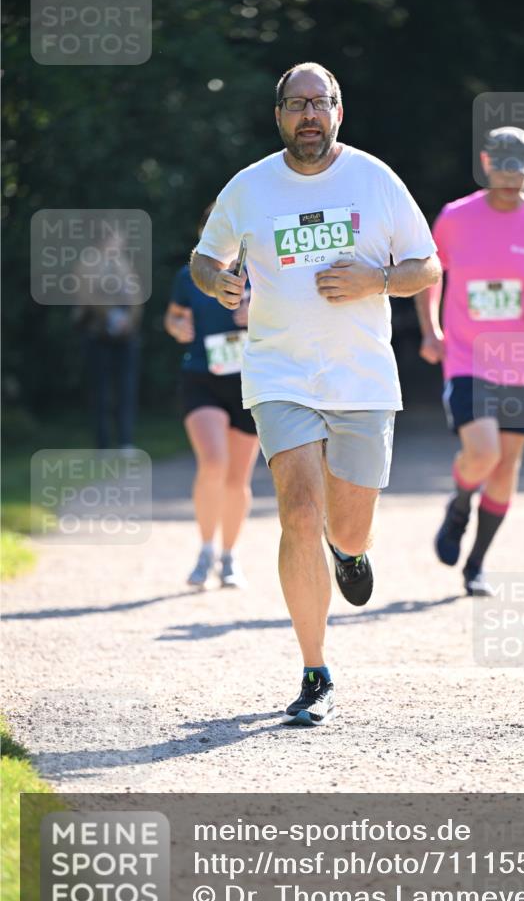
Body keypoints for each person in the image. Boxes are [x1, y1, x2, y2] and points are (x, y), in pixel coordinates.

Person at [190, 62, 440, 725]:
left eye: (319, 102)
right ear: (278, 115)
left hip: (360, 377)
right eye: (295, 103)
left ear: (338, 111)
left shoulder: (374, 179)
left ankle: (348, 551)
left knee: (346, 525)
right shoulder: (248, 187)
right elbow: (204, 255)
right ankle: (313, 668)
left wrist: (376, 279)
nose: (308, 114)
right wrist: (217, 281)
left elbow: (427, 264)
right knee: (298, 512)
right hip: (278, 373)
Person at [416, 126, 524, 596]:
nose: (513, 179)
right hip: (468, 355)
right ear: (487, 162)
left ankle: (476, 564)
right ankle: (459, 504)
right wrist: (430, 329)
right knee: (484, 453)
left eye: (523, 170)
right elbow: (429, 275)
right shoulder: (455, 217)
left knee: (507, 465)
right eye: (505, 168)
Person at [164, 206, 260, 589]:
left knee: (238, 479)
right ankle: (205, 550)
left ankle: (229, 556)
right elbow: (172, 317)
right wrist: (177, 326)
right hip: (201, 377)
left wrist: (257, 313)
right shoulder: (189, 276)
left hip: (248, 381)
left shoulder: (262, 274)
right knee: (214, 462)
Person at [73, 230, 142, 453]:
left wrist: (128, 322)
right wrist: (110, 316)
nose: (119, 243)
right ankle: (102, 444)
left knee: (126, 389)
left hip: (125, 336)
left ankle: (125, 441)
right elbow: (87, 296)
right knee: (100, 391)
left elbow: (136, 296)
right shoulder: (87, 264)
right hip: (97, 334)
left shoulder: (124, 264)